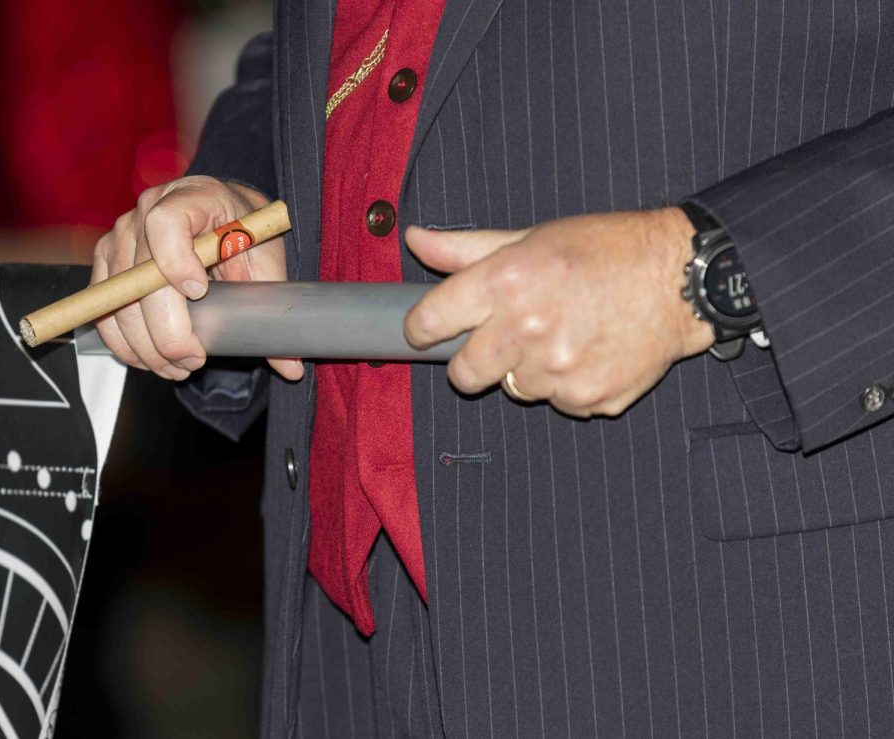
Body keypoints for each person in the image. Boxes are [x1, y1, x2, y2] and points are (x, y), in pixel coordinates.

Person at [93, 1, 894, 735]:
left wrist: (693, 271)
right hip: (341, 641)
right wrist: (238, 188)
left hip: (726, 625)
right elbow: (327, 43)